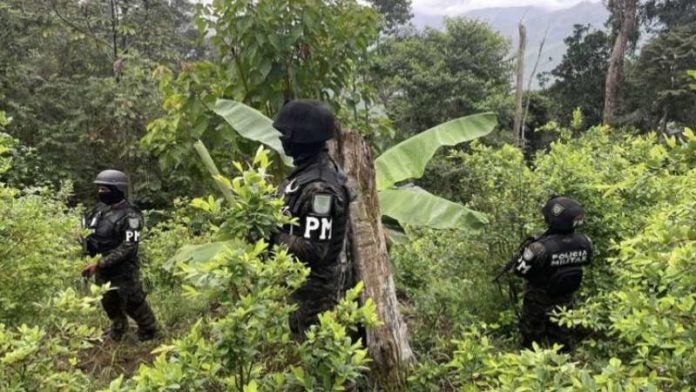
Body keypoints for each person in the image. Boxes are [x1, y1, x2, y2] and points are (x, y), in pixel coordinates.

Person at [270, 99, 353, 339]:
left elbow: (316, 249)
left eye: (286, 134)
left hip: (316, 295)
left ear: (302, 137)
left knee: (317, 356)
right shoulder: (305, 174)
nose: (282, 139)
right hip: (302, 289)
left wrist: (272, 235)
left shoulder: (320, 188)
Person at [81, 169, 157, 342]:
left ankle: (149, 330)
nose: (101, 192)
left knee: (133, 301)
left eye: (105, 189)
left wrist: (99, 264)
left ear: (118, 190)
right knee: (109, 301)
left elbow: (129, 246)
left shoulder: (131, 215)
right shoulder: (99, 210)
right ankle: (118, 329)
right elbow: (90, 231)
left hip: (123, 268)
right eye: (99, 188)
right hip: (101, 265)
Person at [512, 196, 593, 351]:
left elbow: (519, 270)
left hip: (538, 301)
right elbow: (586, 261)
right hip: (566, 301)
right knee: (562, 340)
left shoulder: (539, 248)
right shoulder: (586, 242)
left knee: (531, 342)